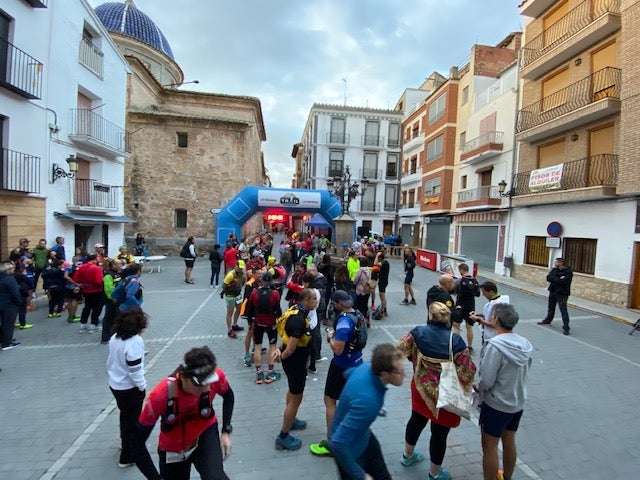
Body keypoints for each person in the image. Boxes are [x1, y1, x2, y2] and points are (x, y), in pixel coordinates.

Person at [397, 301, 476, 480]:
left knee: (416, 420)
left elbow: (400, 349)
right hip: (445, 394)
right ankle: (434, 473)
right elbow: (467, 371)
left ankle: (407, 455)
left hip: (420, 387)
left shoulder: (417, 332)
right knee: (439, 433)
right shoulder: (455, 341)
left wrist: (416, 360)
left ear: (430, 316)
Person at [133, 346, 235, 480]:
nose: (206, 389)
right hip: (173, 448)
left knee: (216, 477)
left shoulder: (216, 377)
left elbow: (229, 397)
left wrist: (226, 431)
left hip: (204, 434)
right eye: (199, 384)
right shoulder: (160, 395)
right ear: (183, 377)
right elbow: (136, 444)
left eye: (209, 382)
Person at [329, 344, 406, 480]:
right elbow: (337, 444)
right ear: (385, 374)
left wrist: (356, 396)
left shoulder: (366, 367)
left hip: (364, 436)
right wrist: (361, 476)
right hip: (351, 453)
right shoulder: (368, 403)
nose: (404, 374)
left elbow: (348, 373)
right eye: (400, 372)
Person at [477, 304, 533, 480]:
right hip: (517, 401)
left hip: (496, 404)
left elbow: (487, 379)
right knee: (509, 440)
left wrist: (479, 390)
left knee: (489, 446)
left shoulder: (495, 346)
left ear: (496, 320)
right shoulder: (525, 344)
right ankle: (506, 477)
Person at [310, 289, 367, 457]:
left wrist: (329, 337)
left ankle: (332, 440)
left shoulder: (343, 323)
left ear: (337, 304)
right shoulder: (358, 315)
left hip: (342, 366)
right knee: (350, 402)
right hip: (358, 363)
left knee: (330, 400)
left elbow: (338, 349)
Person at [271, 288, 316, 451]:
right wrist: (280, 356)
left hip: (293, 362)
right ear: (305, 300)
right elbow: (290, 349)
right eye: (313, 299)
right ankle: (283, 436)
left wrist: (280, 351)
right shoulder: (298, 320)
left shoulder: (294, 309)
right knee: (297, 397)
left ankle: (292, 419)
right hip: (295, 362)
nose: (316, 302)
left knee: (293, 391)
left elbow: (286, 339)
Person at [106, 306, 148, 468]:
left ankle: (128, 446)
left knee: (126, 417)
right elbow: (135, 371)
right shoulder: (135, 342)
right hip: (129, 389)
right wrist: (142, 387)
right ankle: (127, 456)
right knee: (131, 421)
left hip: (115, 385)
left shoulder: (115, 338)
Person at [246, 272, 282, 384]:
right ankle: (270, 372)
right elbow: (278, 310)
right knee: (272, 347)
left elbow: (249, 310)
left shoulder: (254, 293)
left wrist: (250, 323)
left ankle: (259, 373)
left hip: (258, 324)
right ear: (271, 282)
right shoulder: (275, 294)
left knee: (257, 347)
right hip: (271, 324)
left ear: (261, 282)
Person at [470, 281, 510, 353]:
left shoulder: (497, 305)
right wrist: (479, 314)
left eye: (484, 292)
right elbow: (490, 315)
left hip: (492, 338)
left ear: (491, 292)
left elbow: (494, 324)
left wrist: (479, 320)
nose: (483, 295)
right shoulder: (500, 300)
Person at [538, 258, 573, 335]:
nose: (555, 263)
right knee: (551, 307)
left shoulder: (568, 272)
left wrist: (556, 279)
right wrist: (558, 279)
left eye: (556, 262)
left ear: (561, 263)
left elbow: (563, 281)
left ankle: (566, 327)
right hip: (553, 291)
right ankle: (548, 320)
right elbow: (548, 278)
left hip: (562, 294)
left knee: (563, 310)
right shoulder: (554, 270)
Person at [73, 254, 105, 333]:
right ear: (95, 259)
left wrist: (82, 284)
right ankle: (93, 325)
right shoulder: (96, 268)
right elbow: (98, 281)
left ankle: (83, 324)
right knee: (96, 308)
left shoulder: (82, 267)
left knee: (87, 307)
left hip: (86, 290)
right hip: (96, 290)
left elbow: (76, 278)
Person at [454, 263, 481, 353]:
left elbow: (453, 290)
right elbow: (477, 294)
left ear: (461, 270)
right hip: (471, 306)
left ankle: (456, 345)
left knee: (456, 326)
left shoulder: (459, 281)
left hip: (460, 305)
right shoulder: (475, 280)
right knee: (469, 327)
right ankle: (470, 346)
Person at [0, 261, 22, 350]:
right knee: (8, 324)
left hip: (2, 304)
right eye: (12, 269)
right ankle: (6, 343)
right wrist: (19, 302)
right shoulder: (9, 279)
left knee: (3, 323)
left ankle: (3, 339)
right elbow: (15, 293)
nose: (14, 270)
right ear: (8, 270)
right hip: (9, 305)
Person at [101, 259, 123, 344]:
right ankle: (105, 338)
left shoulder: (117, 274)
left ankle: (114, 335)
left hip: (117, 300)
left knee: (116, 318)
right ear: (113, 266)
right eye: (118, 264)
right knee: (108, 318)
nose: (120, 266)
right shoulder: (108, 275)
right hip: (111, 301)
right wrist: (114, 299)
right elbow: (109, 289)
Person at [222, 261, 245, 338]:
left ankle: (234, 325)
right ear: (235, 266)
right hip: (230, 296)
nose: (240, 269)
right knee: (230, 312)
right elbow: (224, 285)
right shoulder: (230, 275)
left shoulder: (242, 275)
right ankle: (229, 330)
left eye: (241, 267)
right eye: (239, 267)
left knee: (238, 310)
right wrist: (228, 291)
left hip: (238, 295)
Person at [374, 250, 390, 318]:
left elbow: (375, 263)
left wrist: (377, 255)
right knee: (382, 296)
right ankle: (384, 309)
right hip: (383, 280)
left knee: (382, 296)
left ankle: (384, 310)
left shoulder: (384, 263)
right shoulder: (385, 262)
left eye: (378, 258)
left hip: (383, 281)